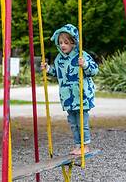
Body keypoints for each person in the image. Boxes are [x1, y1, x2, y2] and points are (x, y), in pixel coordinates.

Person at [41, 24, 98, 155]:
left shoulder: (81, 55)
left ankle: (85, 145)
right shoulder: (59, 59)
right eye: (60, 42)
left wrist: (84, 64)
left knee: (82, 122)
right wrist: (48, 69)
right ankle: (78, 145)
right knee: (73, 123)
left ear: (73, 42)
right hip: (67, 97)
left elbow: (94, 70)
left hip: (82, 95)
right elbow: (56, 73)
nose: (63, 45)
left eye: (66, 42)